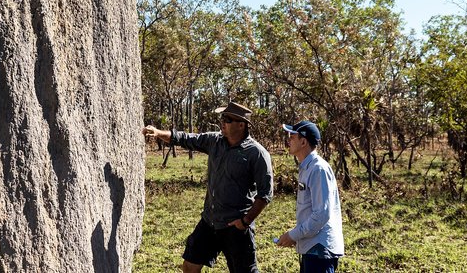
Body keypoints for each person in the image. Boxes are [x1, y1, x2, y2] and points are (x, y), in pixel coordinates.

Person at [142, 102, 273, 273]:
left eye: (227, 119)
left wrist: (245, 221)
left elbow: (265, 194)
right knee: (189, 266)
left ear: (241, 125)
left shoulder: (257, 153)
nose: (222, 123)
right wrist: (159, 133)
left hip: (235, 227)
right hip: (209, 221)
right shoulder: (214, 141)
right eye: (222, 118)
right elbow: (185, 138)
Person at [276, 120, 344, 273]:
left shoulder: (318, 169)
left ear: (303, 142)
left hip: (319, 251)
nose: (288, 140)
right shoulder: (307, 167)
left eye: (292, 137)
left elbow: (321, 214)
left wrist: (293, 235)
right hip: (311, 248)